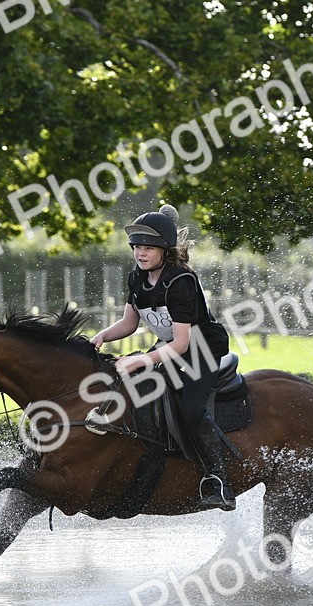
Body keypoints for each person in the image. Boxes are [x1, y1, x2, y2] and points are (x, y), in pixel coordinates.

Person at [91, 204, 236, 511]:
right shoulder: (136, 278)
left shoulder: (180, 281)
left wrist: (141, 360)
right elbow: (129, 324)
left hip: (202, 349)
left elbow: (183, 343)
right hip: (172, 345)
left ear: (165, 251)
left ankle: (218, 480)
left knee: (192, 409)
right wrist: (102, 335)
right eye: (137, 247)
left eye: (148, 248)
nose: (140, 254)